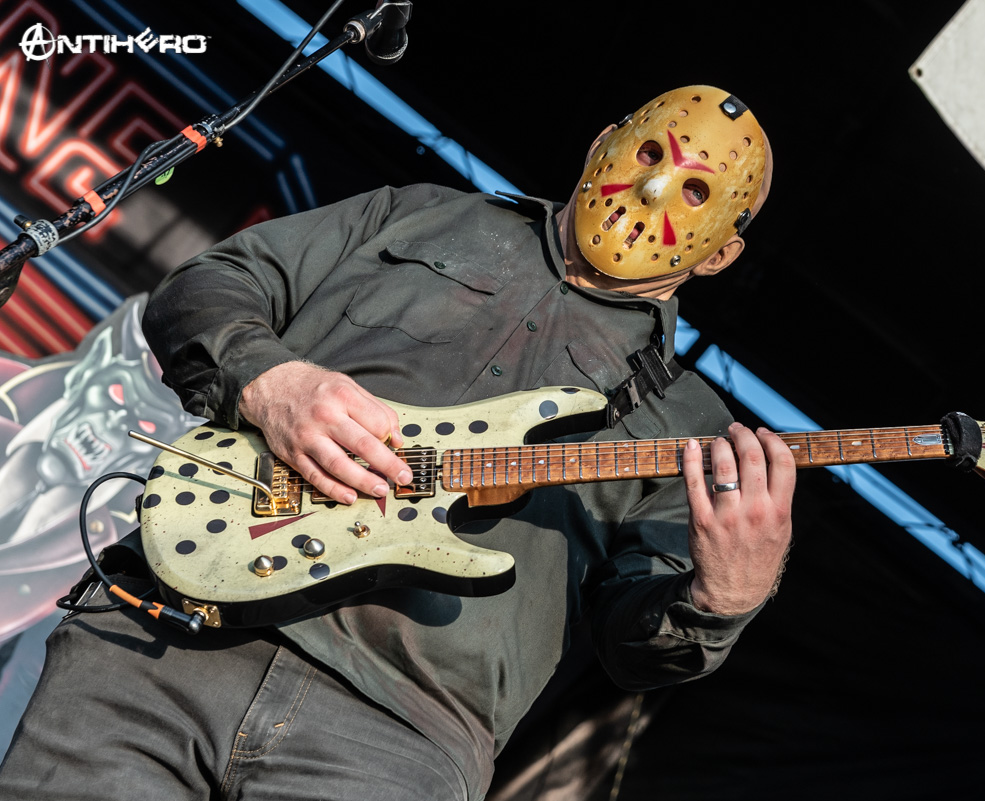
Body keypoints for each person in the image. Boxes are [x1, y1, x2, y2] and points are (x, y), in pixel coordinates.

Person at [0, 85, 793, 800]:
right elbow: (204, 285)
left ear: (722, 253)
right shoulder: (423, 213)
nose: (654, 190)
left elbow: (636, 650)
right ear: (602, 144)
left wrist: (721, 600)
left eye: (697, 192)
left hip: (397, 738)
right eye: (650, 154)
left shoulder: (692, 422)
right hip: (169, 629)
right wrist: (270, 380)